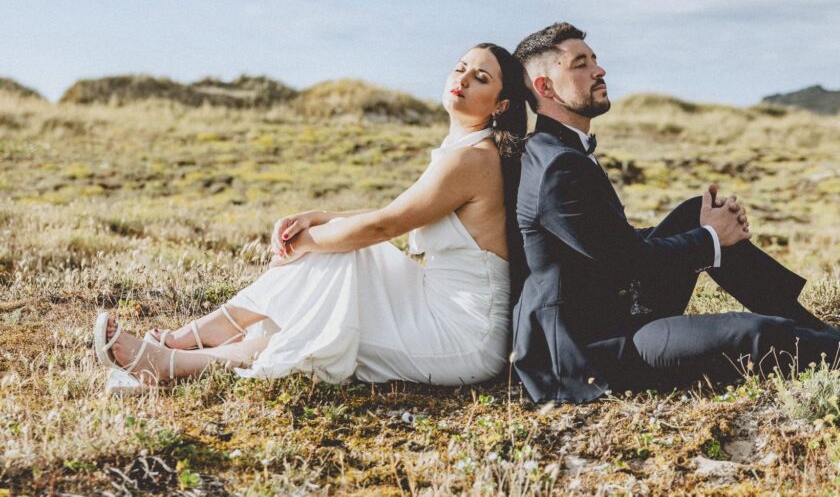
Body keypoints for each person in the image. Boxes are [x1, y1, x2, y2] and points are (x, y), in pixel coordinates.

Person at [509, 22, 840, 403]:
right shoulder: (557, 167)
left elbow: (602, 244)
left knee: (695, 214)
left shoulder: (562, 152)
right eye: (580, 64)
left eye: (595, 59)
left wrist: (706, 232)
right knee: (751, 332)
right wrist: (711, 240)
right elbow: (626, 264)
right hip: (592, 353)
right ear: (545, 89)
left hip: (614, 309)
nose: (599, 69)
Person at [94, 43, 527, 389]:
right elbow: (393, 212)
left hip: (462, 335)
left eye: (481, 77)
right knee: (336, 273)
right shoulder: (463, 150)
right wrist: (321, 218)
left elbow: (385, 225)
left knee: (333, 306)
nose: (462, 79)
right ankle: (186, 347)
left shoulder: (473, 159)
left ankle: (180, 351)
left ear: (501, 105)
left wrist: (308, 240)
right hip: (433, 298)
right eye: (460, 68)